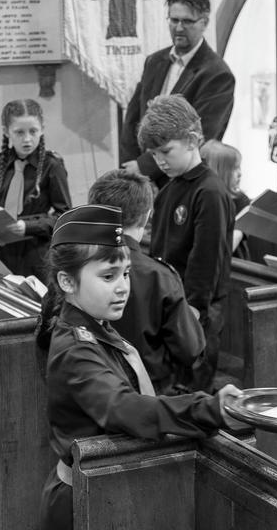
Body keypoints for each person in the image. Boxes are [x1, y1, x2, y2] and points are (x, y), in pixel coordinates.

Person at [36, 203, 242, 530]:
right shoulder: (75, 348)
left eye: (125, 272)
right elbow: (123, 409)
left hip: (106, 500)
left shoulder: (96, 329)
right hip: (82, 507)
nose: (123, 285)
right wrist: (209, 409)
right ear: (66, 281)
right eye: (107, 276)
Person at [140, 95, 234, 391]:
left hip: (198, 308)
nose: (160, 161)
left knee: (193, 388)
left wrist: (193, 308)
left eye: (166, 151)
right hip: (169, 302)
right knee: (172, 386)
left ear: (192, 140)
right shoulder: (169, 190)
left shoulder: (209, 191)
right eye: (154, 154)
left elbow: (206, 258)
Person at [88, 168, 205, 393]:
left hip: (91, 388)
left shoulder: (76, 266)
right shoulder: (159, 275)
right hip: (149, 394)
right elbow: (190, 351)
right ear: (147, 216)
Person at [120, 0, 236, 185]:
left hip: (181, 180)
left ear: (204, 23)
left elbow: (201, 135)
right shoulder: (154, 61)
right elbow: (133, 118)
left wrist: (145, 166)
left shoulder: (216, 73)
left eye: (187, 21)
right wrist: (130, 165)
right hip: (139, 179)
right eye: (174, 20)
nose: (179, 28)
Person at [0, 98, 71, 277]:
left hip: (37, 258)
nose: (27, 139)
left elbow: (64, 216)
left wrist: (28, 226)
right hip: (5, 256)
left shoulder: (52, 166)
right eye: (19, 132)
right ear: (7, 132)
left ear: (42, 129)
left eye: (33, 131)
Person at [199, 139, 250, 257]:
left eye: (239, 167)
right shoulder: (203, 198)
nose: (240, 173)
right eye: (234, 168)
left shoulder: (240, 200)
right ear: (218, 171)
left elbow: (227, 248)